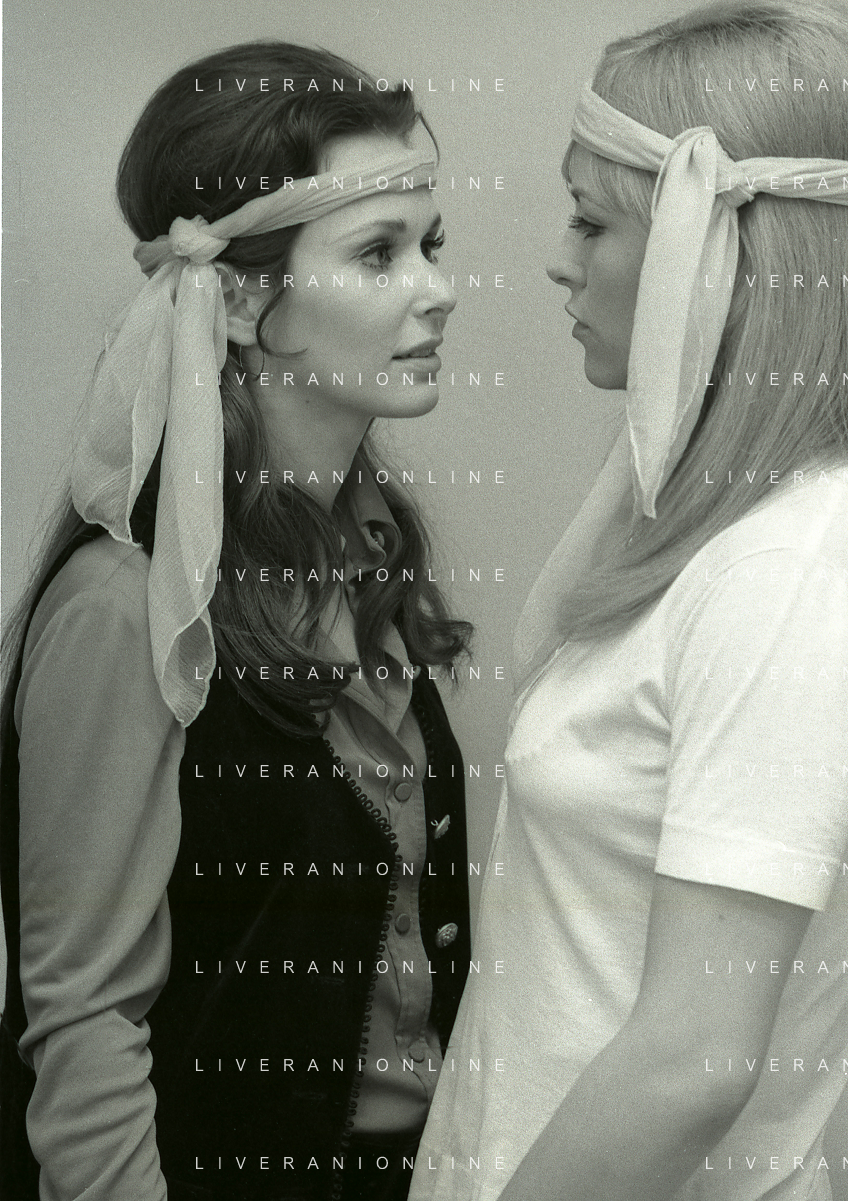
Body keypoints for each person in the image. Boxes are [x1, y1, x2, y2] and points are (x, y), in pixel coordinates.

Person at [0, 42, 474, 1201]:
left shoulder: (369, 563)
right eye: (377, 253)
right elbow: (85, 1022)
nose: (436, 289)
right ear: (246, 299)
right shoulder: (127, 608)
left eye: (430, 245)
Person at [409, 2, 848, 1199]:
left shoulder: (785, 569)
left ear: (713, 250)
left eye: (590, 218)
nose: (560, 259)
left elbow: (692, 1061)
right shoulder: (706, 535)